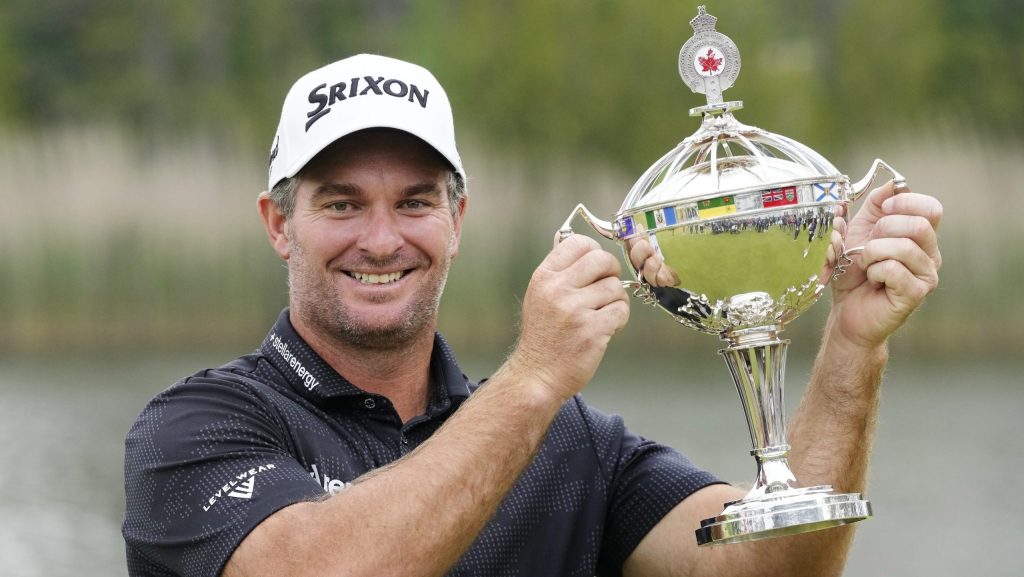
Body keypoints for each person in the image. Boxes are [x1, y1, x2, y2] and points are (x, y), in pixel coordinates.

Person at [122, 54, 942, 577]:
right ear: (278, 223)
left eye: (415, 201)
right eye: (342, 203)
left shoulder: (570, 441)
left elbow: (776, 567)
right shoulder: (193, 428)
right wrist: (537, 375)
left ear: (457, 220)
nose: (381, 238)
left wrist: (853, 348)